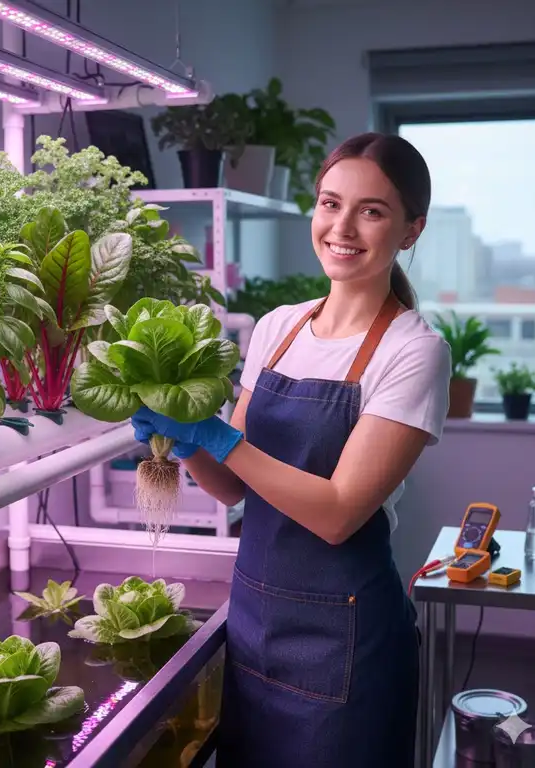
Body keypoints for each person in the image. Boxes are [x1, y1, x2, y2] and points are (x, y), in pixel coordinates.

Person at [131, 132, 452, 767]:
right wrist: (184, 438)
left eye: (372, 210)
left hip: (347, 647)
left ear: (410, 231)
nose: (344, 226)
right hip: (254, 623)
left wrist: (218, 435)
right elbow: (233, 490)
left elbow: (337, 514)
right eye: (331, 203)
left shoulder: (416, 351)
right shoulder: (278, 328)